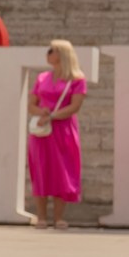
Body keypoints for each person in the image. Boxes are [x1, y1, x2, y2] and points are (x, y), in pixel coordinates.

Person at [26, 38, 89, 231]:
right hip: (42, 131)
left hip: (63, 131)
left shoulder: (77, 79)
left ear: (61, 54)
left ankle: (59, 217)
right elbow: (31, 105)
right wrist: (41, 113)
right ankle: (41, 217)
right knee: (41, 170)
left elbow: (75, 106)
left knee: (63, 170)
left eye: (51, 50)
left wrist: (53, 115)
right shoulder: (42, 78)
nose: (48, 53)